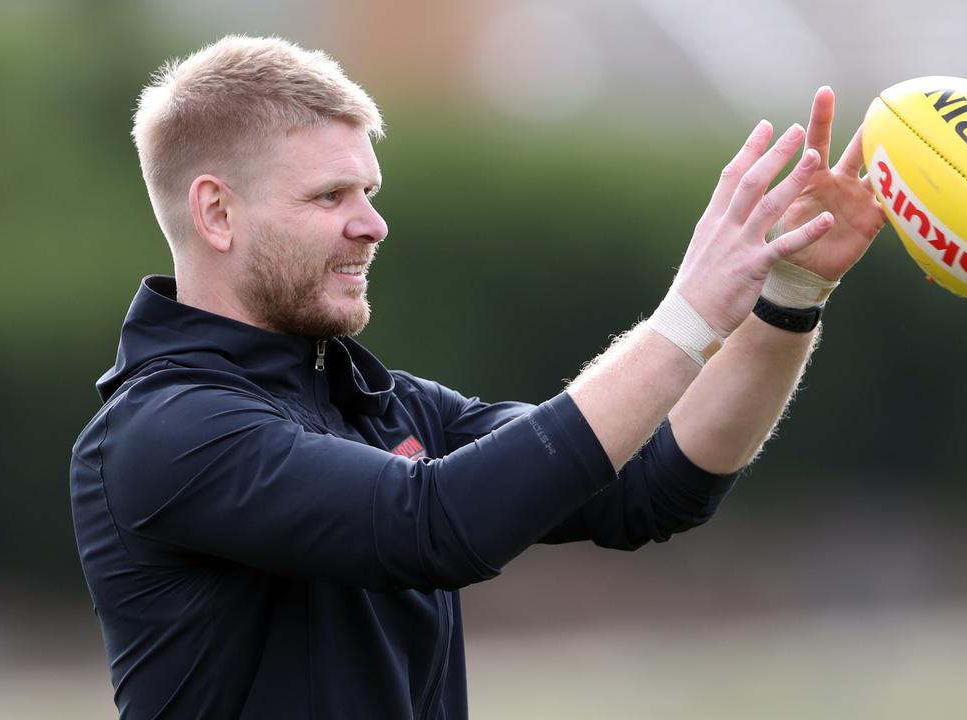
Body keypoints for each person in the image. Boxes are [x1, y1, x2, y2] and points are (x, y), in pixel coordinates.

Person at [70, 35, 885, 719]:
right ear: (217, 212)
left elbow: (657, 484)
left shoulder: (381, 403)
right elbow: (438, 525)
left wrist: (791, 294)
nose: (372, 223)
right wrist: (688, 316)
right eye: (329, 196)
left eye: (369, 190)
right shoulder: (166, 429)